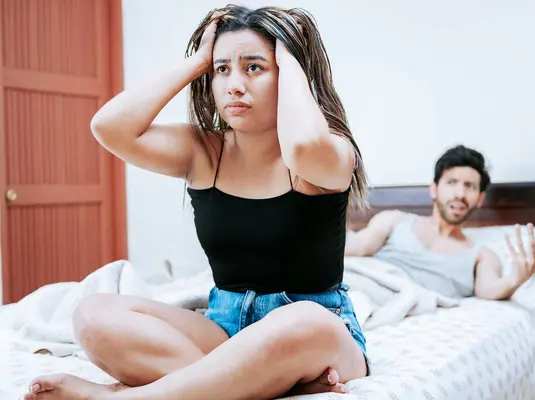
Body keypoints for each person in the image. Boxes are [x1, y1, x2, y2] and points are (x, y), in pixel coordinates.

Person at [25, 5, 370, 400]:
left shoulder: (331, 153)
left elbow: (305, 144)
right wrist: (198, 61)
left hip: (315, 334)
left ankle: (121, 398)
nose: (233, 84)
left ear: (290, 75)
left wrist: (292, 56)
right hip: (223, 329)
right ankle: (257, 384)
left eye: (254, 68)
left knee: (304, 320)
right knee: (93, 314)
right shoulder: (204, 152)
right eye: (223, 70)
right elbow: (108, 127)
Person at [345, 145, 535, 301]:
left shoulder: (481, 255)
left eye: (470, 186)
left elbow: (489, 289)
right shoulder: (394, 220)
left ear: (480, 198)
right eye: (452, 183)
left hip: (400, 304)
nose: (460, 193)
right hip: (357, 289)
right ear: (434, 189)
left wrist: (515, 278)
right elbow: (357, 246)